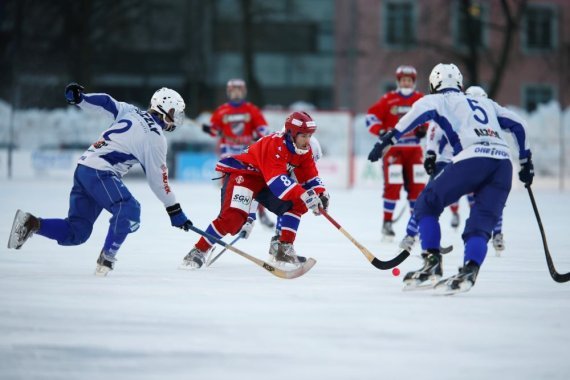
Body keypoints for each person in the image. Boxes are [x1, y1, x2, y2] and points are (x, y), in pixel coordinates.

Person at [368, 63, 533, 294]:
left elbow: (414, 115)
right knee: (481, 222)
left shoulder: (440, 100)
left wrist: (387, 140)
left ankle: (432, 262)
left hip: (472, 159)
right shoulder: (486, 102)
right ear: (460, 83)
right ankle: (470, 269)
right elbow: (519, 125)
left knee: (426, 204)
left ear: (434, 84)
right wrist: (526, 161)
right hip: (503, 164)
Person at [7, 84, 193, 276]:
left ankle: (31, 223)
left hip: (84, 169)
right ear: (163, 108)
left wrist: (81, 99)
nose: (177, 118)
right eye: (175, 112)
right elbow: (158, 182)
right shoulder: (155, 138)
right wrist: (174, 210)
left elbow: (106, 102)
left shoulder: (131, 111)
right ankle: (107, 259)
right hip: (100, 172)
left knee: (76, 232)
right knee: (129, 209)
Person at [180, 111, 329, 269]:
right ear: (292, 133)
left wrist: (321, 193)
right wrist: (305, 194)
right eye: (304, 136)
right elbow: (278, 183)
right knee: (232, 221)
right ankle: (198, 250)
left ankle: (283, 248)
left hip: (264, 182)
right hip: (245, 176)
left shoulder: (304, 150)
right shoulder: (276, 145)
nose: (307, 141)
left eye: (309, 136)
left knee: (298, 202)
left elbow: (310, 177)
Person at [421, 85, 505, 254]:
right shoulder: (461, 112)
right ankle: (418, 235)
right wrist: (431, 153)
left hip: (470, 162)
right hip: (462, 161)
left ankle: (494, 234)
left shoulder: (467, 112)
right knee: (481, 201)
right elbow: (434, 131)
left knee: (432, 199)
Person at [366, 65, 428, 244]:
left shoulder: (420, 100)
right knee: (393, 185)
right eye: (403, 80)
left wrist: (425, 129)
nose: (406, 83)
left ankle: (414, 225)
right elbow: (370, 118)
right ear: (398, 81)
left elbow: (433, 120)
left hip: (415, 150)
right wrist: (380, 132)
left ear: (414, 82)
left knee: (417, 187)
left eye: (409, 80)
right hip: (393, 149)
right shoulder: (389, 99)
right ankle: (387, 222)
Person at [201, 78, 275, 229]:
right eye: (233, 90)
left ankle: (260, 214)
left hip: (246, 154)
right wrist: (210, 129)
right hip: (228, 155)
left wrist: (258, 135)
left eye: (239, 90)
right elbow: (214, 130)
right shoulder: (222, 110)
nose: (236, 93)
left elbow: (263, 128)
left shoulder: (251, 109)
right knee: (228, 187)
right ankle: (226, 214)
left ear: (244, 91)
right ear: (229, 92)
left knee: (253, 185)